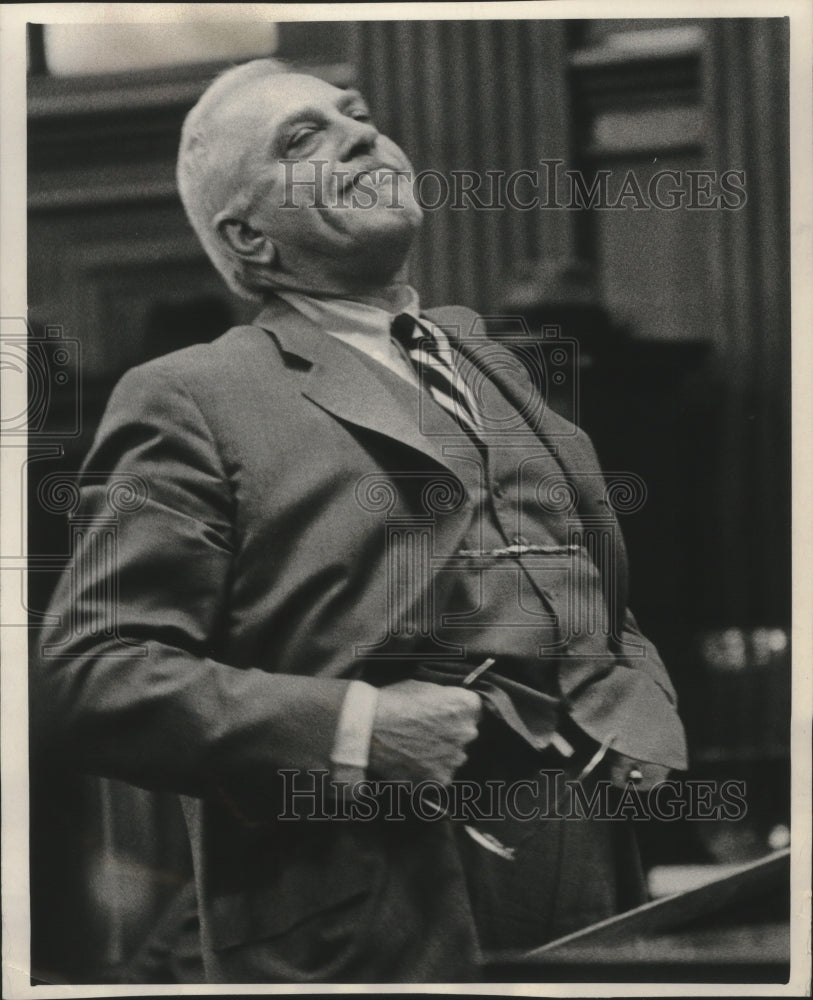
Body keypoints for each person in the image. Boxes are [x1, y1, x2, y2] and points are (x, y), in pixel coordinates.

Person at [34, 62, 688, 984]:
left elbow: (596, 595)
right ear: (247, 238)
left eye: (359, 115)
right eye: (301, 138)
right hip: (364, 920)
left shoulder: (493, 366)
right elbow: (87, 676)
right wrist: (356, 730)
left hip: (587, 882)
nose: (358, 135)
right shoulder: (190, 397)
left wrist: (639, 720)